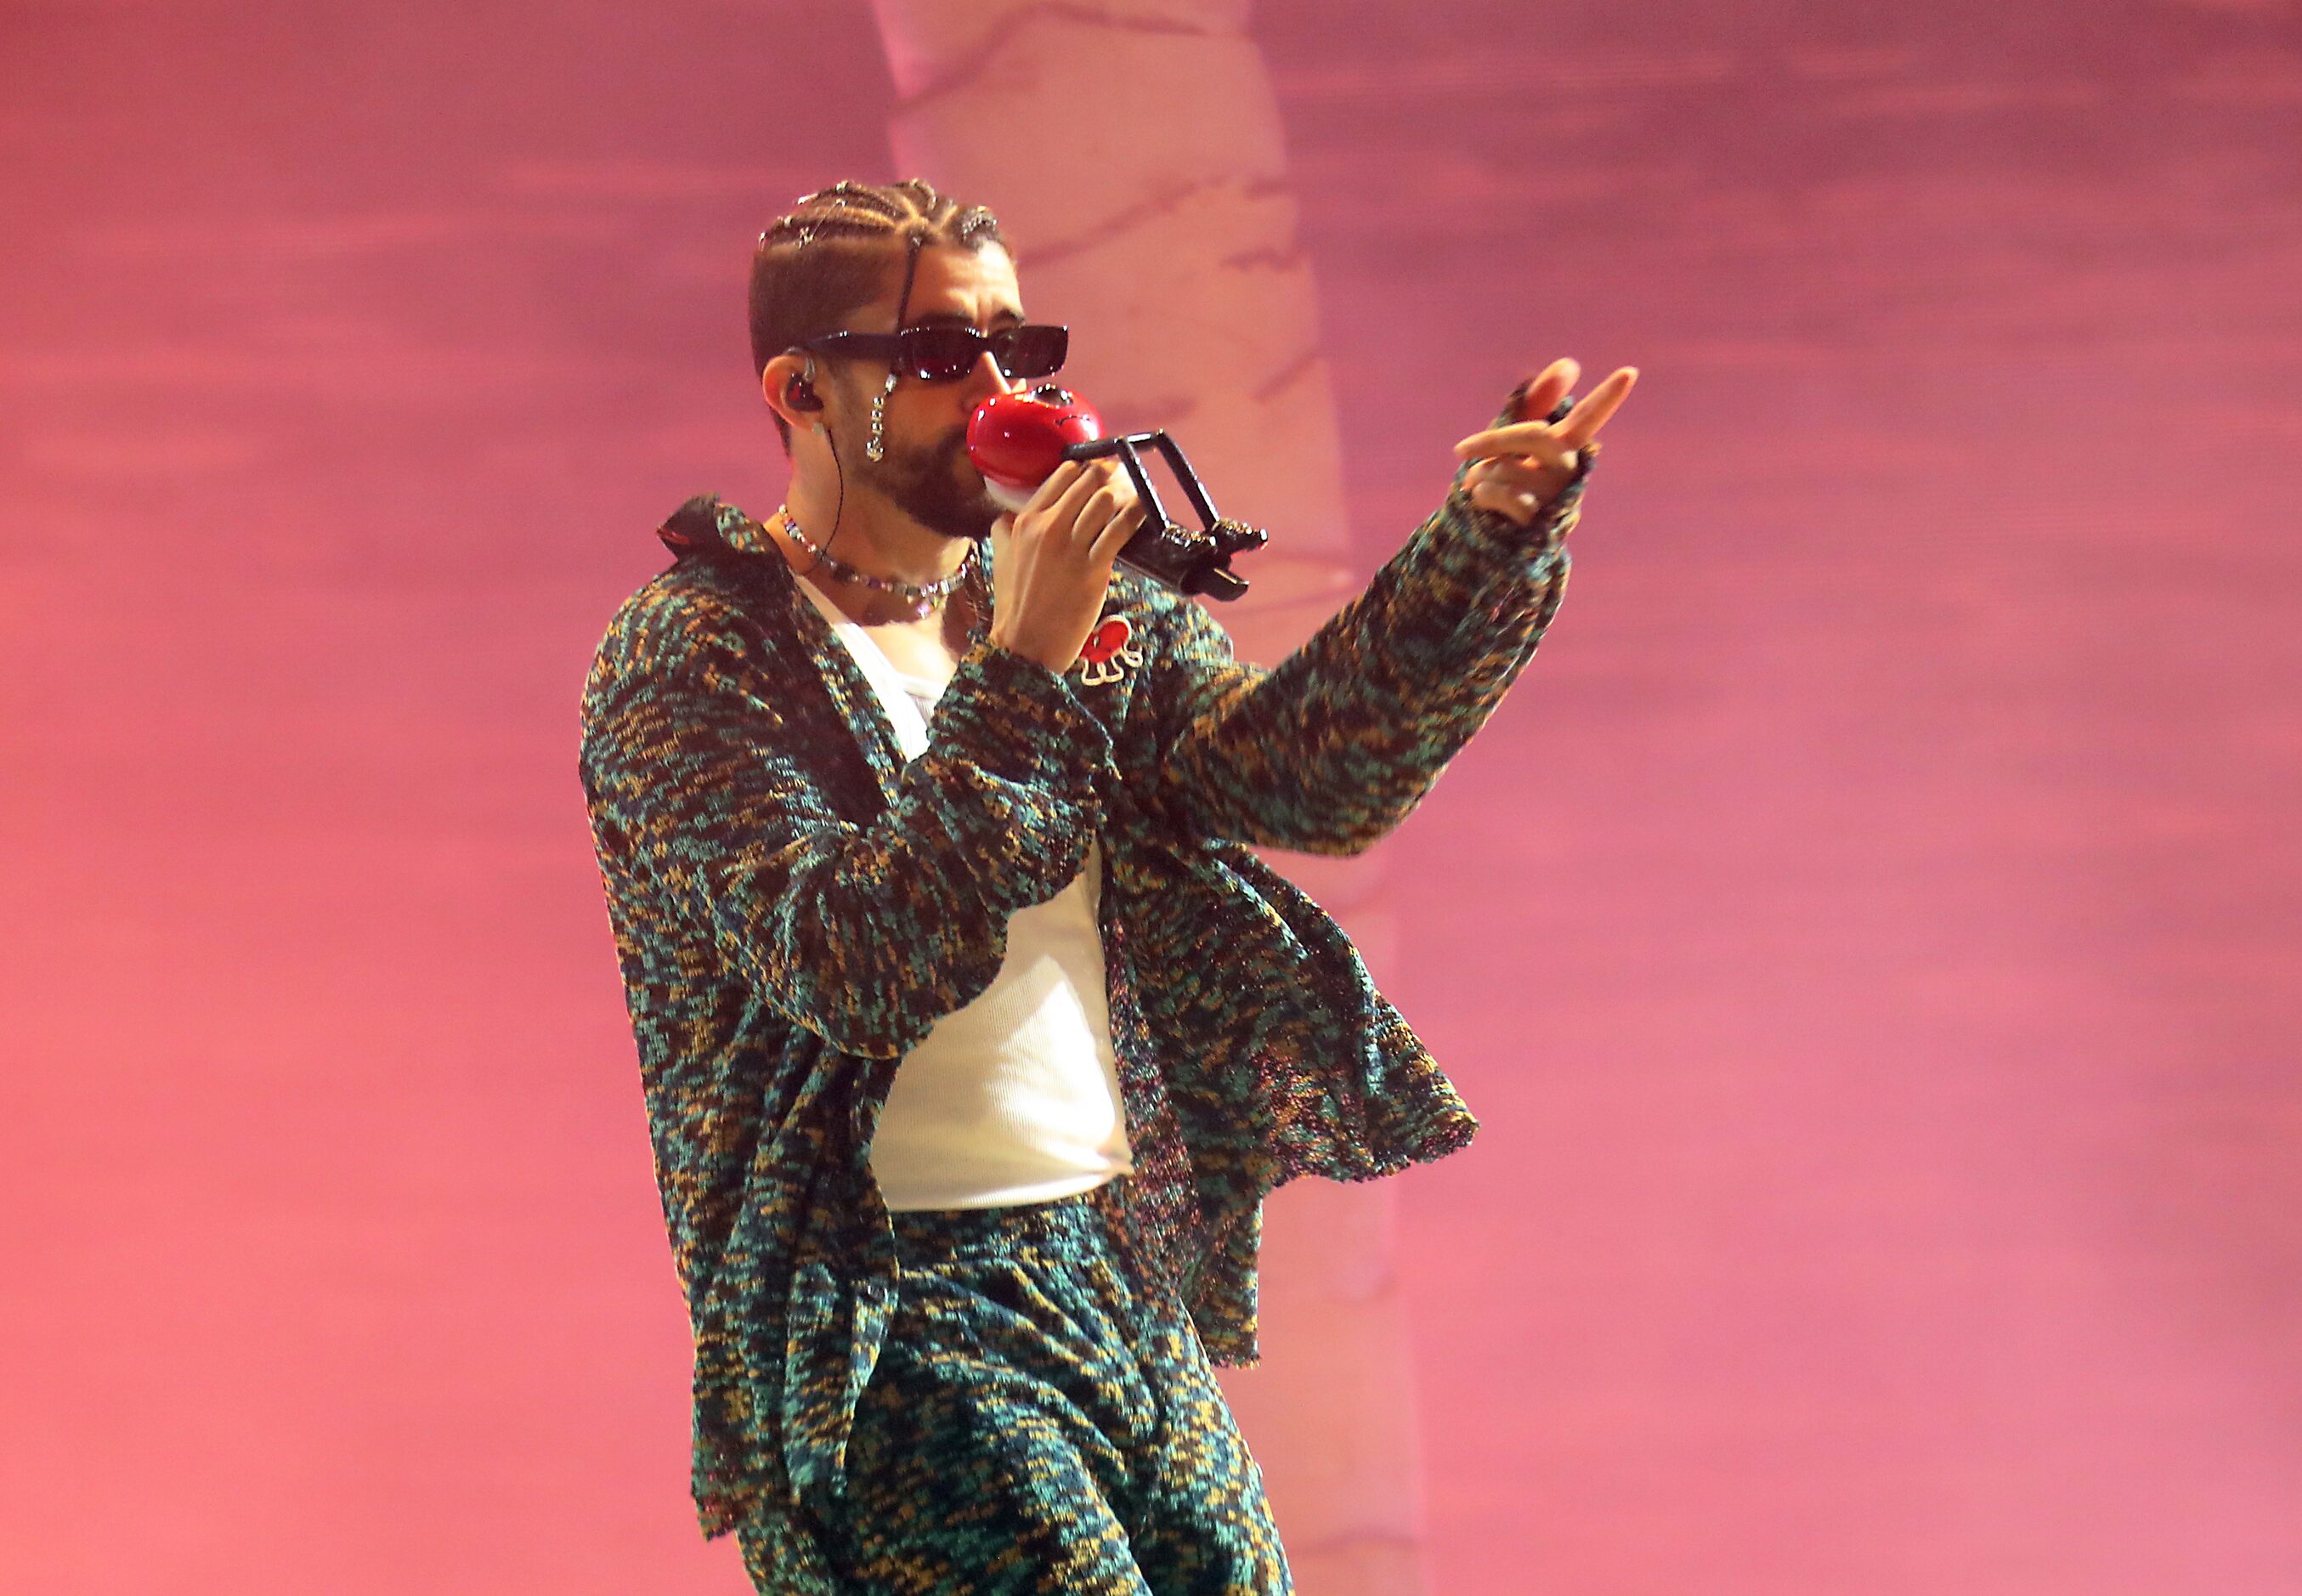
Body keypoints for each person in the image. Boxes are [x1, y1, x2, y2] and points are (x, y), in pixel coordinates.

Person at [576, 176, 1636, 1595]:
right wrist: (1022, 670)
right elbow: (856, 962)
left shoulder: (1073, 609)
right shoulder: (696, 652)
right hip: (889, 1314)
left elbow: (1301, 781)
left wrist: (1487, 543)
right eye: (944, 356)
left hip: (1109, 1259)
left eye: (1024, 347)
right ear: (802, 389)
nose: (1004, 390)